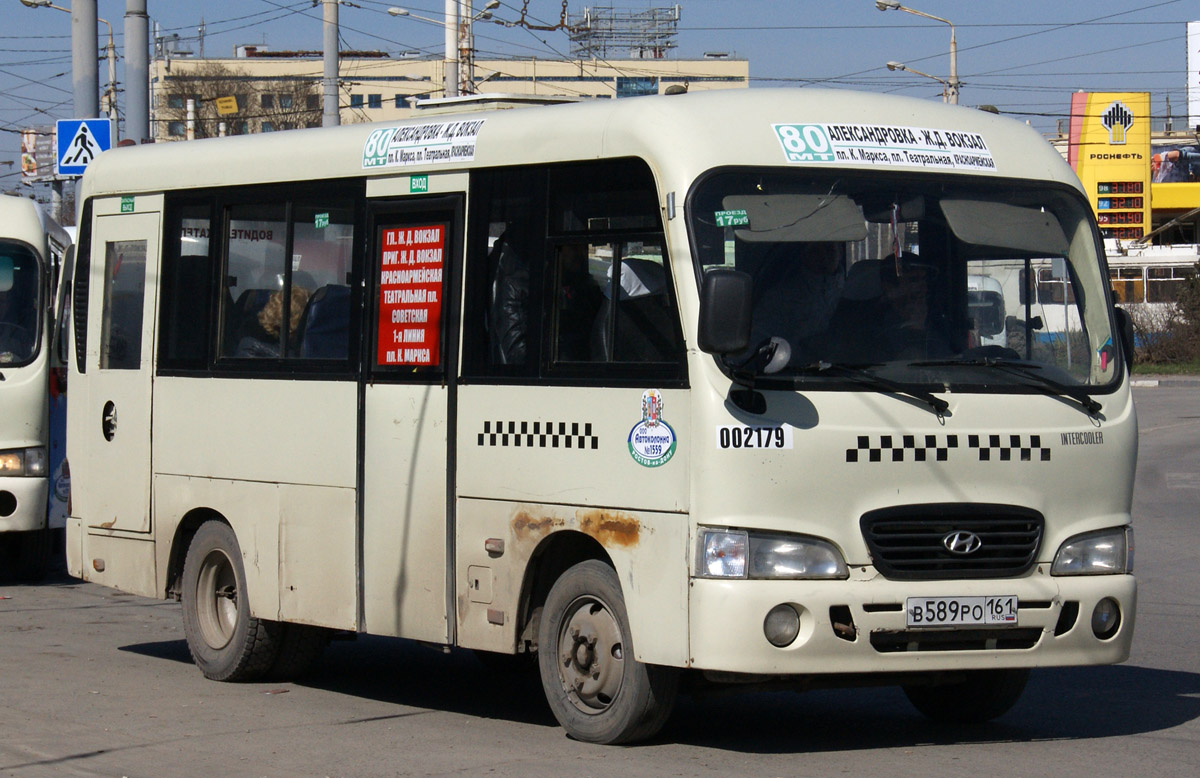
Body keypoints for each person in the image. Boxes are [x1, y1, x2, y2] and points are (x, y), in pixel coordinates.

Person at [747, 241, 844, 365]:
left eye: (830, 250)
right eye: (816, 252)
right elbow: (759, 343)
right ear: (804, 254)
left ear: (840, 253)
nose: (824, 258)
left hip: (854, 375)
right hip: (791, 372)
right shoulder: (780, 297)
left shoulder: (852, 292)